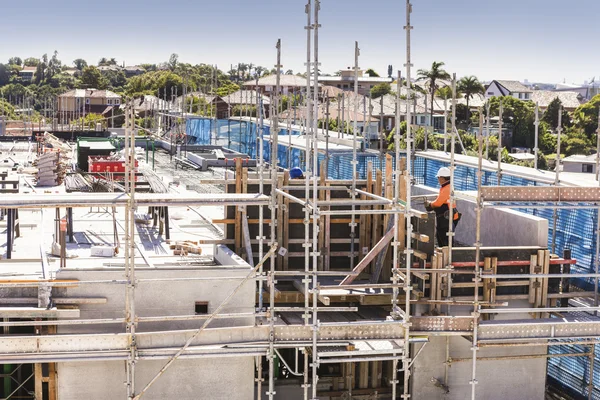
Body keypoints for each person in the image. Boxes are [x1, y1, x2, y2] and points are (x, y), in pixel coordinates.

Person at [425, 167, 461, 247]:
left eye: (438, 177)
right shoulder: (447, 187)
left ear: (442, 178)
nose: (438, 179)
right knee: (441, 237)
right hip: (445, 217)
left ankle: (447, 257)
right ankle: (445, 256)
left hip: (446, 218)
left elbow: (438, 203)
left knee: (445, 240)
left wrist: (430, 205)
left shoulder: (447, 188)